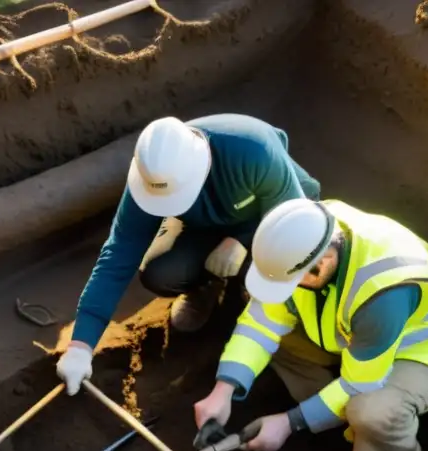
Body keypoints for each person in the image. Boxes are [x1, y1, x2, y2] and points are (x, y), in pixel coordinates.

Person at [194, 198, 428, 451]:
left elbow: (360, 383)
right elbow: (260, 322)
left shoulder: (382, 293)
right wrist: (223, 389)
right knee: (277, 338)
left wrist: (288, 422)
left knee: (371, 408)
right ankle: (326, 411)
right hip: (359, 335)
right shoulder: (301, 236)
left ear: (321, 264)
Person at [56, 114, 320, 395]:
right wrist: (80, 345)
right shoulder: (152, 175)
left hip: (277, 216)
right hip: (204, 225)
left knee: (270, 277)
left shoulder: (252, 150)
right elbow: (118, 252)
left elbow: (293, 221)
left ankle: (265, 329)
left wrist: (243, 240)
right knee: (161, 272)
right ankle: (205, 287)